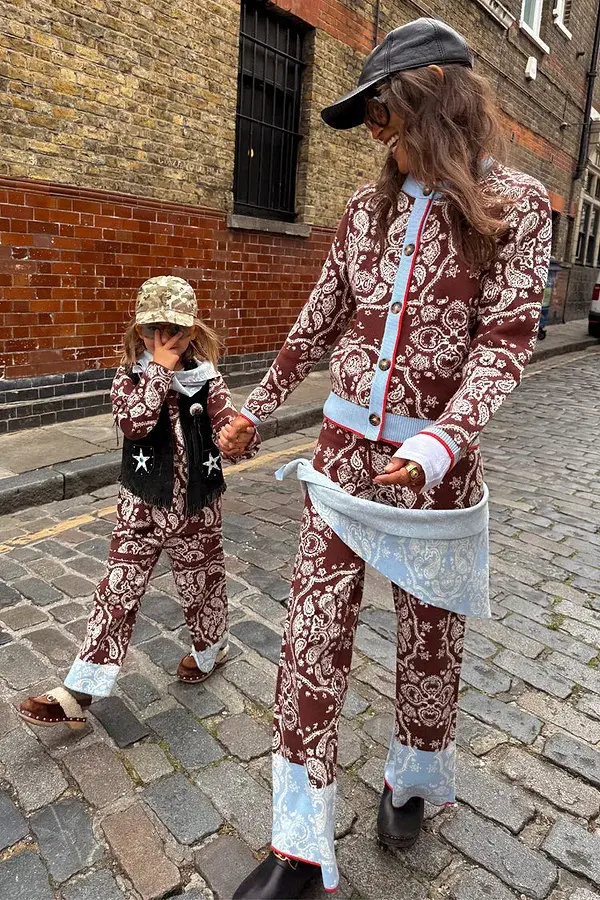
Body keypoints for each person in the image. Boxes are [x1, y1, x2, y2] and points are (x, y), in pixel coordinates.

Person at [220, 18, 552, 900]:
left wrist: (444, 440)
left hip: (435, 481)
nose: (378, 135)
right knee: (310, 639)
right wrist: (256, 410)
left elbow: (507, 341)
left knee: (430, 641)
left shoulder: (516, 208)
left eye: (386, 115)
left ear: (435, 106)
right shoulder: (364, 212)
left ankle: (411, 779)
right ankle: (299, 846)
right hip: (339, 468)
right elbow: (316, 320)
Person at [19, 276, 258, 729]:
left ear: (193, 330)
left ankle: (212, 649)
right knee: (117, 591)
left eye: (174, 331)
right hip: (141, 507)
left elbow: (232, 432)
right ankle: (80, 688)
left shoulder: (209, 379)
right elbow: (135, 424)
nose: (162, 340)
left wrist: (240, 439)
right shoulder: (130, 376)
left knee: (201, 585)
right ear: (139, 331)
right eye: (152, 330)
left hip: (196, 509)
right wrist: (159, 370)